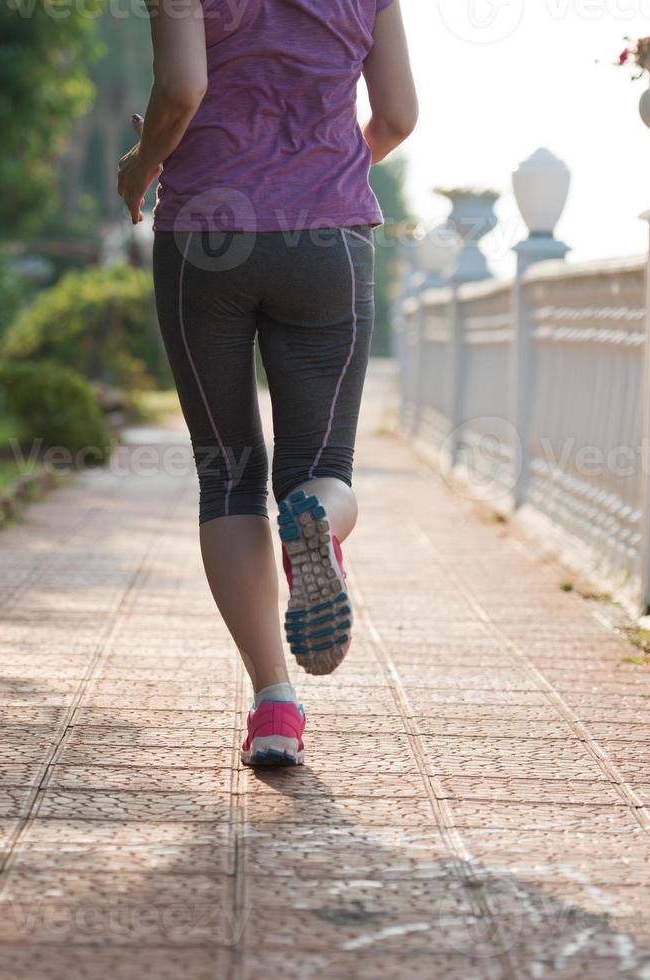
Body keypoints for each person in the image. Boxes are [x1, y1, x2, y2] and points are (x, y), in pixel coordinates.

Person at [117, 0, 417, 766]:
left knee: (227, 474)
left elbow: (182, 89)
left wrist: (143, 159)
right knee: (318, 472)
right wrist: (329, 168)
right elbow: (398, 113)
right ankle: (314, 518)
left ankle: (274, 707)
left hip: (204, 241)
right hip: (327, 239)